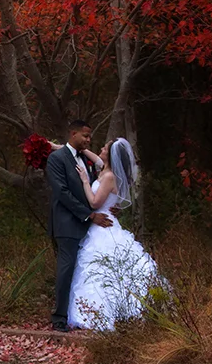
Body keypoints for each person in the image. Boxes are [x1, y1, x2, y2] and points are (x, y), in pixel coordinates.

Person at [67, 137, 160, 331]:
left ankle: (104, 312)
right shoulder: (105, 169)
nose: (100, 149)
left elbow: (94, 203)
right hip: (104, 223)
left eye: (104, 148)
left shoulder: (109, 176)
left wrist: (85, 181)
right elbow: (85, 153)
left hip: (102, 224)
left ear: (110, 155)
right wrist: (57, 147)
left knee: (100, 269)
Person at [46, 120, 113, 332]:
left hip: (90, 227)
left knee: (87, 270)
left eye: (90, 136)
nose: (88, 139)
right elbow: (62, 193)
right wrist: (90, 215)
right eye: (85, 136)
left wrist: (112, 206)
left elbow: (99, 185)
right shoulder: (56, 159)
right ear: (73, 133)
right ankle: (59, 319)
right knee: (66, 269)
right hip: (67, 224)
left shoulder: (86, 158)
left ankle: (88, 314)